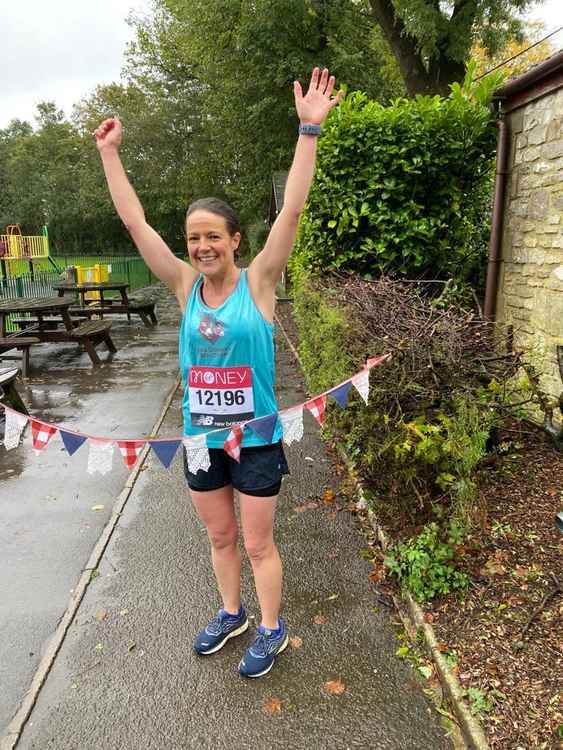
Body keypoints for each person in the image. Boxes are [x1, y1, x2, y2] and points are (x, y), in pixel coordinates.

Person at [95, 67, 342, 678]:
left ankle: (272, 628)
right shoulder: (183, 286)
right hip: (202, 443)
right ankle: (230, 612)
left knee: (258, 542)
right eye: (193, 238)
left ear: (235, 240)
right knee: (220, 539)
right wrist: (109, 155)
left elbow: (293, 210)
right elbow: (135, 223)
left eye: (213, 236)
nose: (201, 246)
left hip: (255, 440)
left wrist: (308, 131)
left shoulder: (259, 283)